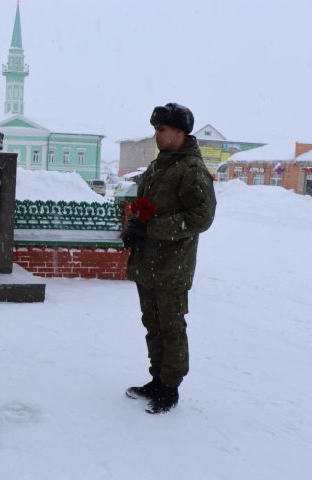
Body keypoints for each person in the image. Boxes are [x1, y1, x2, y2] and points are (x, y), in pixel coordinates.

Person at [122, 102, 216, 414]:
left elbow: (202, 217)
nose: (157, 135)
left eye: (161, 130)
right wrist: (136, 226)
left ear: (179, 132)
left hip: (172, 265)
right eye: (155, 130)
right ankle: (157, 379)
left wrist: (154, 227)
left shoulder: (190, 170)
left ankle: (170, 386)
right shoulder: (160, 165)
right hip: (149, 261)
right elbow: (146, 203)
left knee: (171, 326)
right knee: (152, 323)